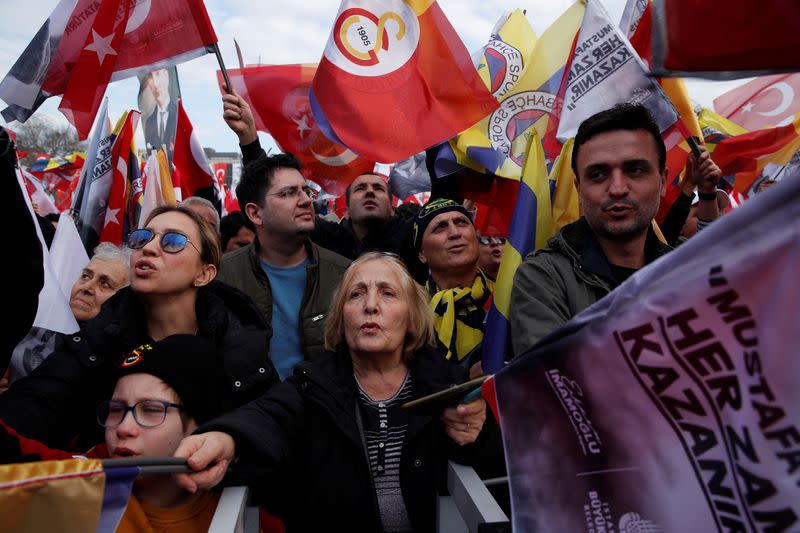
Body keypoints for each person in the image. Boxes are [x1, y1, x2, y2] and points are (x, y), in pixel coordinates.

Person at [173, 253, 490, 532]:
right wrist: (224, 439)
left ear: (410, 319)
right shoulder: (313, 384)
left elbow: (498, 464)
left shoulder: (447, 385)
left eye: (388, 294)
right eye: (356, 295)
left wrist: (477, 429)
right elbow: (269, 416)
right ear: (341, 318)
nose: (370, 306)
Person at [0, 205, 278, 451]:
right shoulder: (99, 338)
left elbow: (269, 426)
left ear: (204, 273)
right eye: (142, 237)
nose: (148, 247)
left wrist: (230, 440)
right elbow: (41, 400)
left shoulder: (241, 344)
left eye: (172, 241)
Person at [510, 104, 702, 355]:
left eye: (635, 170)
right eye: (598, 174)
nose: (617, 188)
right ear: (579, 189)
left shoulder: (694, 267)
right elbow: (557, 384)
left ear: (663, 181)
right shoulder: (543, 279)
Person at [221, 90, 418, 267]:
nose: (369, 191)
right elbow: (267, 191)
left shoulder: (414, 235)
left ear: (393, 207)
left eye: (378, 188)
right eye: (360, 189)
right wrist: (249, 139)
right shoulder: (326, 236)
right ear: (346, 210)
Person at [219, 153, 351, 380]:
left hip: (322, 410)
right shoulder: (221, 276)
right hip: (248, 411)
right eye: (289, 193)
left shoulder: (346, 274)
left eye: (305, 191)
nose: (306, 200)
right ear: (255, 213)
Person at [103, 335, 228, 533]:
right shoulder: (71, 483)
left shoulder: (243, 514)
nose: (123, 428)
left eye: (152, 410)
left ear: (200, 427)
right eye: (116, 409)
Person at [7, 243, 132, 384]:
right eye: (85, 276)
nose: (86, 287)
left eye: (105, 284)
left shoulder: (115, 362)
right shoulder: (30, 325)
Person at [413, 198, 493, 368]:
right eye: (440, 227)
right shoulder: (409, 314)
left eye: (461, 222)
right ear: (422, 253)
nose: (455, 233)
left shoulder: (510, 294)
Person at [143, 69, 178, 155]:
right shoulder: (149, 122)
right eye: (150, 76)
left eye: (157, 74)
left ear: (166, 76)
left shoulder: (179, 115)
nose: (155, 84)